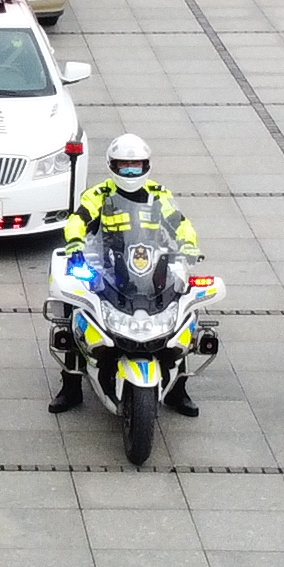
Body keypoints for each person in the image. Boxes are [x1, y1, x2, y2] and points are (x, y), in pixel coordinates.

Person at [51, 134, 204, 416]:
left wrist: (188, 246)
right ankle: (70, 386)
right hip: (107, 265)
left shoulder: (159, 195)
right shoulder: (98, 195)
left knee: (184, 311)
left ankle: (179, 390)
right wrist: (75, 245)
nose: (130, 172)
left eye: (136, 166)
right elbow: (78, 220)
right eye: (125, 167)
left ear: (146, 166)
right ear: (113, 166)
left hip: (151, 266)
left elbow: (180, 223)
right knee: (73, 313)